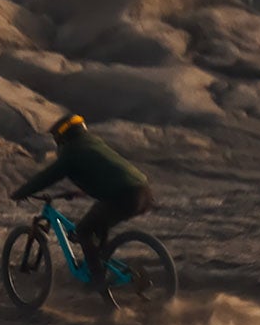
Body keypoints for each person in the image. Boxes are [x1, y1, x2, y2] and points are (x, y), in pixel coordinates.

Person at [11, 113, 155, 287]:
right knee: (98, 225)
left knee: (83, 230)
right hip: (143, 192)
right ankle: (102, 266)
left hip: (124, 196)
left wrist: (21, 192)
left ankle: (98, 279)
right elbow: (105, 172)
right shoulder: (93, 143)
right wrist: (81, 191)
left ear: (62, 136)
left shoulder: (72, 152)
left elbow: (46, 177)